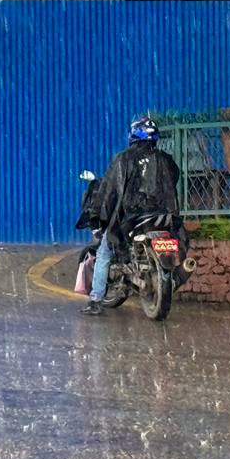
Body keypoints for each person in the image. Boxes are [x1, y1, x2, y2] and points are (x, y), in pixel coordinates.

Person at [81, 116, 181, 316]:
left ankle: (96, 300)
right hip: (163, 215)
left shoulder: (123, 159)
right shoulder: (166, 159)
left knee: (104, 251)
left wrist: (98, 214)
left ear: (133, 135)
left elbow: (109, 190)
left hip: (131, 217)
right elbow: (174, 178)